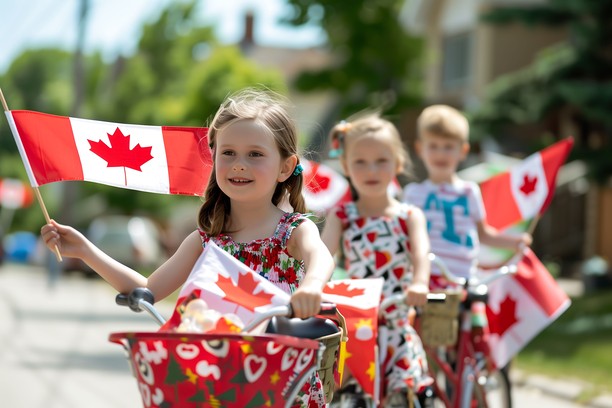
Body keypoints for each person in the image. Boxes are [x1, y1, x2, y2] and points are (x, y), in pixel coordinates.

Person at [41, 88, 335, 407]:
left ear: (285, 166)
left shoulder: (292, 230)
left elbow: (320, 256)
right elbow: (149, 289)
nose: (239, 164)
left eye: (255, 154)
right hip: (217, 379)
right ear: (214, 158)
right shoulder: (207, 239)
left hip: (282, 380)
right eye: (228, 153)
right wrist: (85, 250)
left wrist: (312, 287)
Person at [321, 114, 433, 407]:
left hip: (396, 318)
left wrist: (420, 283)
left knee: (406, 392)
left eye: (381, 161)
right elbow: (323, 255)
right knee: (344, 391)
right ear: (345, 166)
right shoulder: (343, 215)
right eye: (360, 162)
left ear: (397, 163)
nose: (371, 170)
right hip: (357, 323)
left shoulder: (409, 215)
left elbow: (421, 254)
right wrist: (313, 284)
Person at [403, 104, 532, 358]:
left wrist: (514, 242)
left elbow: (484, 234)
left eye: (448, 146)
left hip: (463, 278)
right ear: (420, 149)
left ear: (463, 150)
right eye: (434, 146)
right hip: (426, 279)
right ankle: (427, 389)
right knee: (421, 341)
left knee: (475, 337)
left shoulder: (470, 191)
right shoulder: (413, 194)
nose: (441, 153)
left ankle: (473, 384)